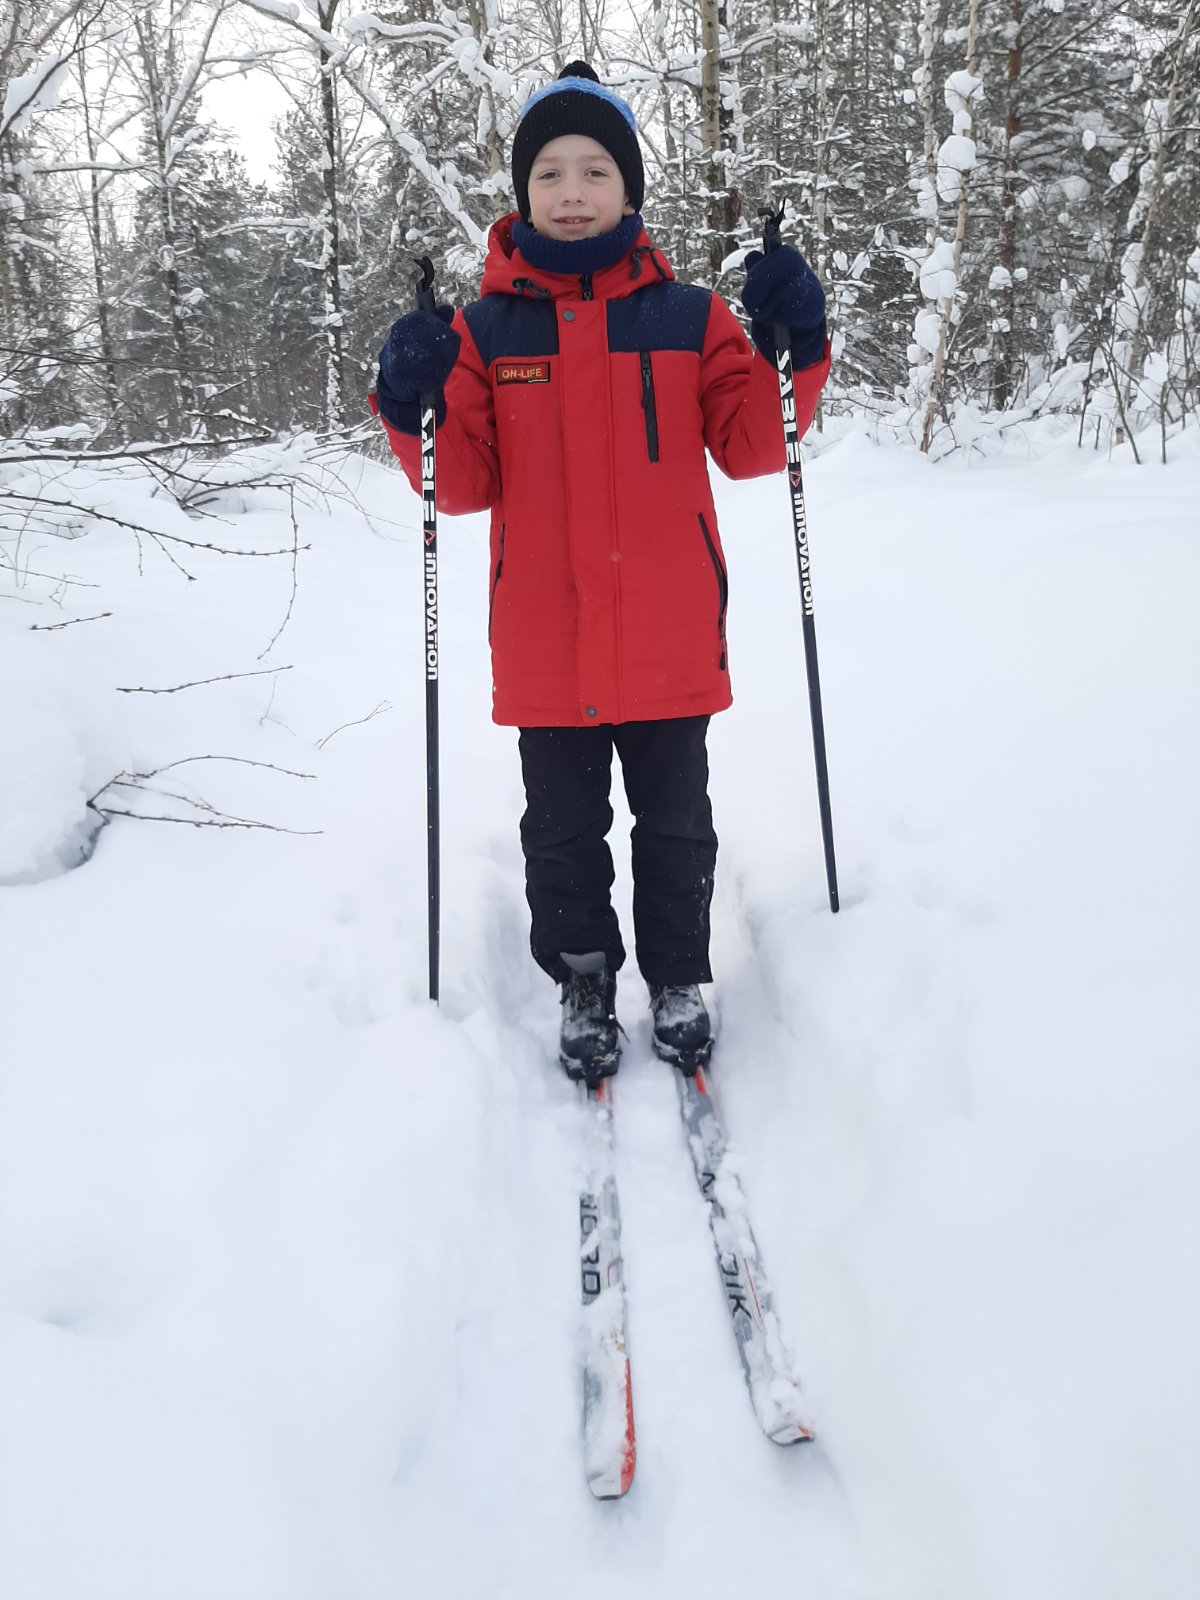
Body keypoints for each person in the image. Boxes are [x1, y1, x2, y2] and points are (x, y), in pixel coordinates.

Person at [371, 62, 829, 1085]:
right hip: (548, 642)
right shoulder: (483, 332)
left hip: (668, 637)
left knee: (677, 827)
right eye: (549, 173)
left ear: (628, 190)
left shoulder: (689, 318)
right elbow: (461, 483)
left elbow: (758, 444)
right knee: (562, 834)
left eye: (594, 172)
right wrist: (409, 402)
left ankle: (678, 977)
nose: (572, 192)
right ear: (521, 192)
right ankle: (583, 979)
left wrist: (795, 341)